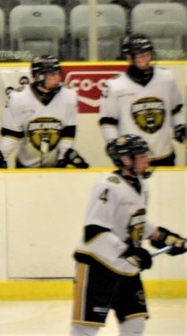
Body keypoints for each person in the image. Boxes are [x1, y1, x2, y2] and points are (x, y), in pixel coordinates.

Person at [70, 134, 186, 336]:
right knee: (85, 328)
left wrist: (163, 237)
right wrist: (130, 252)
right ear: (125, 159)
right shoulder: (107, 185)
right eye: (141, 155)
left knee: (135, 323)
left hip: (126, 266)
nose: (147, 158)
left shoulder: (141, 186)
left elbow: (135, 222)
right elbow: (94, 232)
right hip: (96, 266)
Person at [0, 56, 89, 170]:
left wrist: (64, 155)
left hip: (55, 167)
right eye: (52, 74)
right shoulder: (18, 98)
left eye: (58, 73)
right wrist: (1, 155)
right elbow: (12, 135)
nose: (57, 78)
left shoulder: (68, 95)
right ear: (38, 76)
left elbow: (68, 132)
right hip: (24, 167)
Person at [99, 34, 185, 167]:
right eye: (140, 56)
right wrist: (114, 144)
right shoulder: (115, 86)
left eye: (148, 54)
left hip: (165, 155)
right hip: (134, 160)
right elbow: (108, 122)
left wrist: (180, 126)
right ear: (129, 58)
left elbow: (176, 110)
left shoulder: (166, 78)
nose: (146, 59)